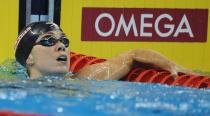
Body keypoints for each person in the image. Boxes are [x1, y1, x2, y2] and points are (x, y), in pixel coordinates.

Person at [14, 21, 195, 79]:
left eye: (64, 41)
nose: (61, 46)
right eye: (48, 41)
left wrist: (170, 64)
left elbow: (132, 56)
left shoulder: (84, 79)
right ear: (29, 58)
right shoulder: (14, 90)